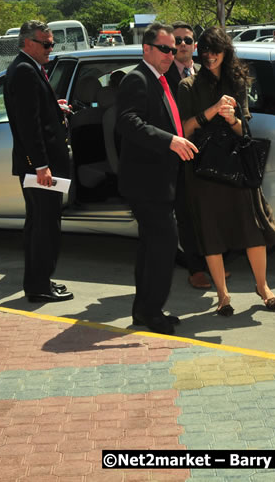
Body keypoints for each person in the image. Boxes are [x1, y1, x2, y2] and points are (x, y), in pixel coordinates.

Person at [177, 26, 275, 317]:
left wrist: (232, 117)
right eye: (206, 51)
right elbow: (183, 129)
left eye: (217, 51)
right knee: (211, 233)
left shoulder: (235, 81)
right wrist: (211, 112)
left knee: (252, 229)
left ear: (226, 52)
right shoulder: (188, 86)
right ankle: (222, 295)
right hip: (203, 168)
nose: (210, 56)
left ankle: (263, 288)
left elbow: (244, 129)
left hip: (235, 165)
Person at [115, 22, 198, 335]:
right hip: (146, 183)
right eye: (165, 48)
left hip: (161, 180)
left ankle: (144, 310)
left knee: (152, 247)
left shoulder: (160, 79)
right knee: (163, 247)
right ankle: (152, 312)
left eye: (173, 48)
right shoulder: (137, 80)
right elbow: (127, 123)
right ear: (146, 48)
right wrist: (170, 141)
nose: (171, 53)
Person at [3, 20, 74, 303]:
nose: (51, 48)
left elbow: (35, 111)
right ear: (28, 42)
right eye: (46, 43)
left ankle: (40, 280)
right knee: (44, 227)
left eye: (52, 43)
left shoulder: (30, 67)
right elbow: (28, 126)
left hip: (40, 165)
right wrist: (40, 165)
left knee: (41, 224)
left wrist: (52, 107)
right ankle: (38, 286)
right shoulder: (23, 71)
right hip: (40, 168)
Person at [165, 21, 215, 291]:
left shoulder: (202, 73)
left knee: (206, 211)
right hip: (178, 155)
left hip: (205, 153)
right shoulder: (164, 76)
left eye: (188, 40)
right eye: (178, 41)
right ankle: (195, 269)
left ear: (195, 45)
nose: (183, 44)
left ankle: (211, 262)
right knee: (185, 213)